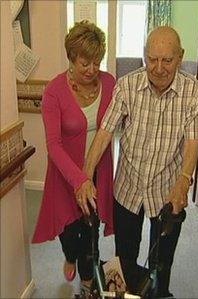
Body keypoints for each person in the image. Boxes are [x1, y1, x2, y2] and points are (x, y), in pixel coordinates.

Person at [78, 26, 198, 298]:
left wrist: (183, 183)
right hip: (128, 186)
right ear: (145, 56)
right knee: (124, 257)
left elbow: (192, 141)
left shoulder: (193, 92)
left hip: (167, 190)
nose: (158, 68)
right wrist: (84, 177)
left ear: (180, 57)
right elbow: (105, 132)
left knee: (162, 261)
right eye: (152, 59)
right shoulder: (127, 86)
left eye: (167, 60)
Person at [32, 20, 116, 294]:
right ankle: (69, 255)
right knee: (69, 233)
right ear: (71, 58)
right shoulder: (54, 91)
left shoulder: (109, 83)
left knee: (90, 234)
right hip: (66, 176)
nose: (92, 70)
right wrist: (79, 179)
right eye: (84, 63)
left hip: (98, 173)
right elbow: (53, 145)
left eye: (97, 62)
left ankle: (87, 284)